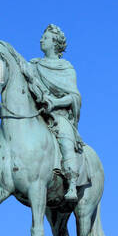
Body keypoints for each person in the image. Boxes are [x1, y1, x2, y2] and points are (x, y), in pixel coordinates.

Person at [27, 24, 84, 209]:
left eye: (46, 37)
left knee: (65, 134)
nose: (41, 39)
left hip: (58, 115)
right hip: (37, 114)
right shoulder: (33, 65)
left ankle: (72, 182)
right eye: (42, 36)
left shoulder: (66, 68)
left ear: (55, 43)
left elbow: (74, 96)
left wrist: (55, 102)